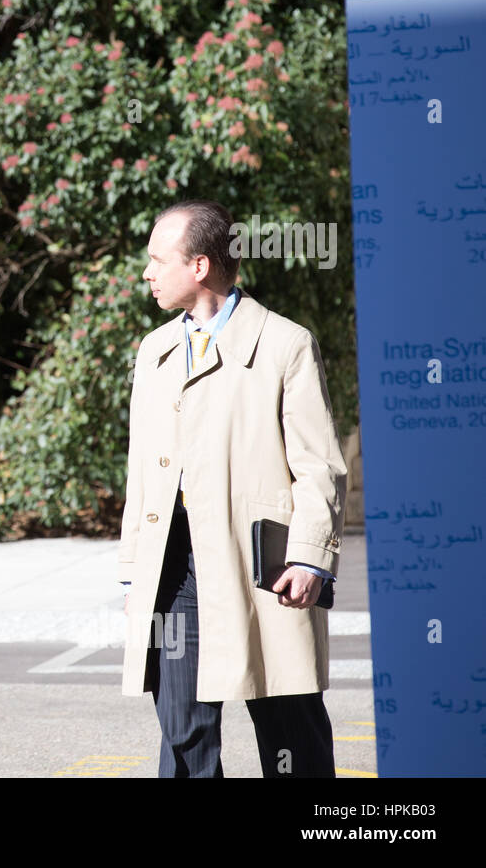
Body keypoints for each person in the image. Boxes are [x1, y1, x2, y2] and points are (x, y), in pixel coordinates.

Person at [118, 199, 347, 777]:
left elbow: (320, 466)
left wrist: (310, 558)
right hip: (175, 569)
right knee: (183, 737)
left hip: (262, 567)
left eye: (156, 259)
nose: (146, 272)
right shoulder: (154, 351)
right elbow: (142, 468)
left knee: (290, 731)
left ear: (198, 266)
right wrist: (135, 569)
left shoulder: (285, 345)